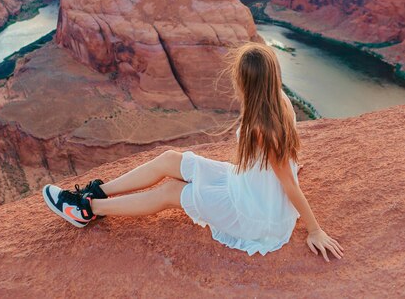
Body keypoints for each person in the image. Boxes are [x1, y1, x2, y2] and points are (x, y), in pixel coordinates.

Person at [42, 42, 344, 261]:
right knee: (170, 159)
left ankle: (86, 210)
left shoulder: (263, 128)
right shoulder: (278, 99)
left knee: (171, 192)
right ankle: (99, 191)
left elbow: (288, 182)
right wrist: (287, 170)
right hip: (246, 185)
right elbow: (288, 162)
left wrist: (314, 230)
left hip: (255, 212)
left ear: (245, 82)